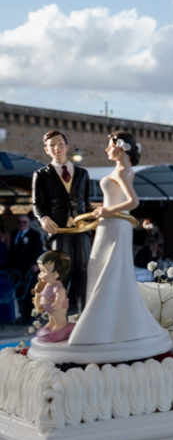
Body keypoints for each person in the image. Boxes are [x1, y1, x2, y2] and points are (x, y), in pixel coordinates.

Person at [58, 131, 172, 360]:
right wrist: (102, 212)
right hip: (110, 224)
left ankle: (99, 326)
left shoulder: (122, 170)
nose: (106, 149)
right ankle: (104, 323)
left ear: (121, 147)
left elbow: (133, 202)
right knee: (101, 269)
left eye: (109, 146)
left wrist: (105, 210)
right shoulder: (122, 170)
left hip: (115, 223)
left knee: (104, 270)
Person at [32, 130, 90, 314]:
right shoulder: (41, 175)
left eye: (60, 144)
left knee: (84, 272)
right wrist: (43, 218)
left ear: (66, 146)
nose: (56, 148)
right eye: (52, 145)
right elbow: (37, 204)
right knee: (59, 274)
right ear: (46, 149)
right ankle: (58, 318)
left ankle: (84, 317)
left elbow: (86, 202)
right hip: (58, 230)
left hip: (81, 230)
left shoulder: (82, 173)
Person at [7, 214, 44, 324]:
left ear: (28, 223)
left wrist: (35, 264)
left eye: (24, 222)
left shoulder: (34, 234)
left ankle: (31, 316)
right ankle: (22, 315)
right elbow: (13, 250)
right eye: (20, 222)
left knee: (29, 292)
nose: (22, 224)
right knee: (19, 292)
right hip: (17, 268)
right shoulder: (14, 233)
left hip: (29, 268)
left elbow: (38, 250)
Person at [32, 250, 75, 342]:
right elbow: (41, 293)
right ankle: (52, 322)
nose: (40, 275)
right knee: (51, 316)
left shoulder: (58, 287)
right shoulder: (47, 284)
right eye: (40, 271)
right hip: (49, 308)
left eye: (43, 271)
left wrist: (57, 302)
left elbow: (61, 294)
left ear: (55, 274)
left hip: (57, 308)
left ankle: (60, 324)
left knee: (58, 316)